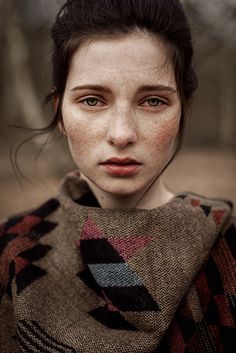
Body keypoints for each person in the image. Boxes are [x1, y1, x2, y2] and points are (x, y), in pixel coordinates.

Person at [0, 0, 235, 352]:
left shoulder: (229, 252)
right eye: (93, 100)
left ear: (184, 111)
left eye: (153, 101)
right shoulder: (10, 253)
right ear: (60, 113)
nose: (122, 133)